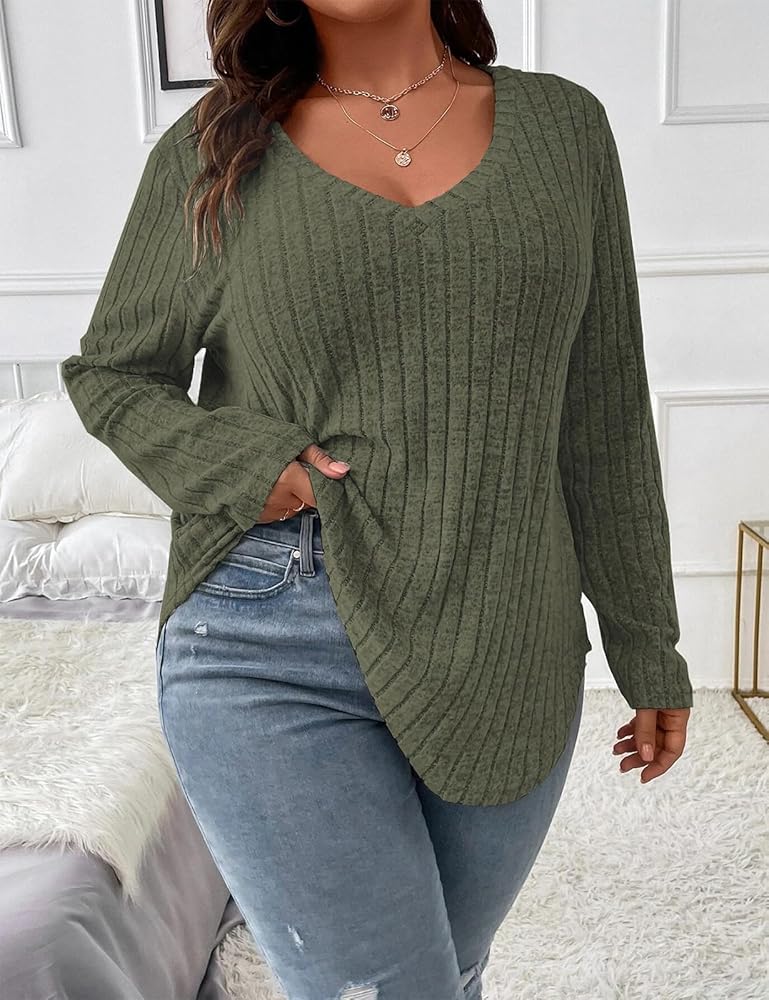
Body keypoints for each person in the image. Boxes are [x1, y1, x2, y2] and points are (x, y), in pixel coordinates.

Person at [61, 2, 694, 997]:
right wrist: (245, 463)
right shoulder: (216, 150)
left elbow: (602, 408)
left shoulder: (564, 129)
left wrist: (645, 641)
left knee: (447, 970)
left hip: (511, 632)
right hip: (268, 635)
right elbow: (112, 374)